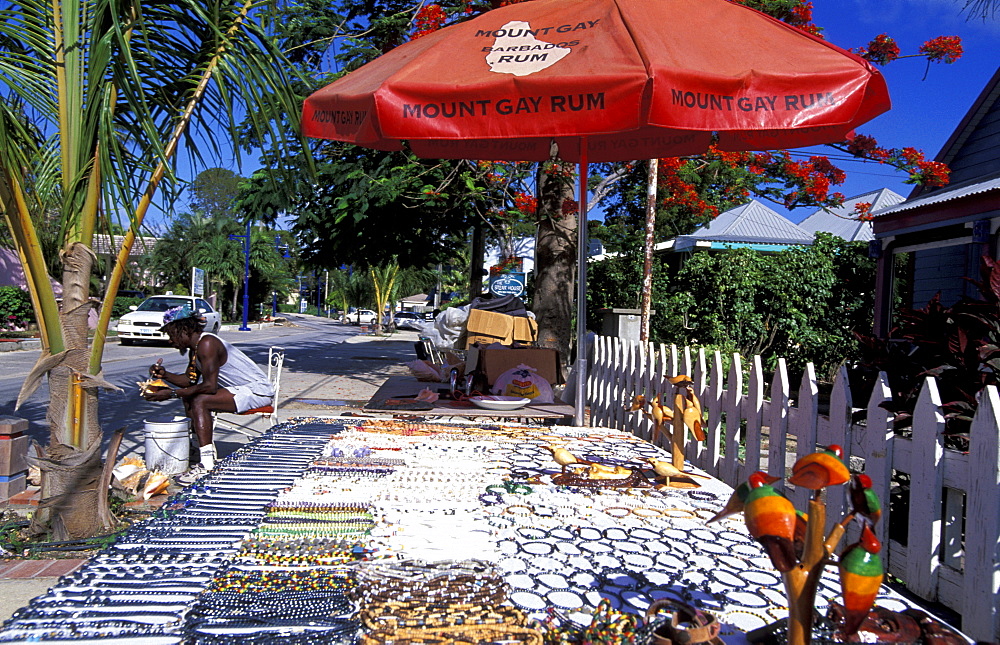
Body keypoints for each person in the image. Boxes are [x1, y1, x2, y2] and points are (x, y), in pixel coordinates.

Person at [142, 304, 274, 481]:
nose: (170, 340)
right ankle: (197, 451)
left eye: (171, 334)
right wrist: (165, 375)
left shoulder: (207, 344)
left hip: (257, 392)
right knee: (190, 395)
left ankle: (207, 464)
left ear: (185, 330)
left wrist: (171, 394)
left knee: (200, 400)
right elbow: (189, 381)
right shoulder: (196, 349)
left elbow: (209, 387)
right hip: (239, 391)